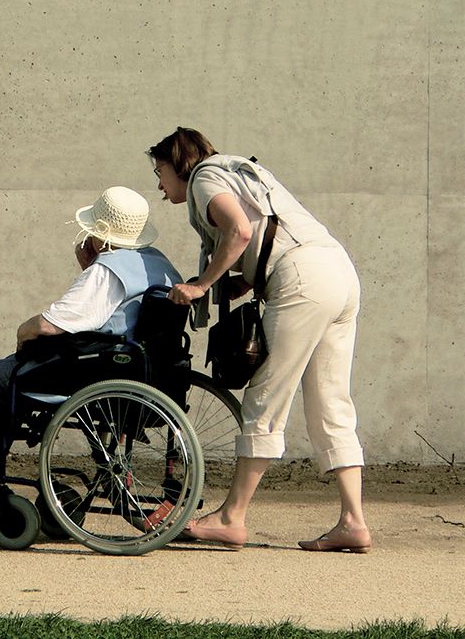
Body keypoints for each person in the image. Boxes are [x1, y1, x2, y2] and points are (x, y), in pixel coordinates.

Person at [147, 127, 371, 553]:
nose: (160, 184)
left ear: (179, 164)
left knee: (264, 399)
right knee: (331, 402)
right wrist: (244, 282)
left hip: (301, 279)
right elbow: (267, 231)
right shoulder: (239, 171)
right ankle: (353, 522)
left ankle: (231, 518)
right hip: (336, 271)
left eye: (160, 172)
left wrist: (202, 284)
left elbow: (239, 232)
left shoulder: (204, 179)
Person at [0, 186, 182, 525]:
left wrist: (22, 333)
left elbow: (50, 324)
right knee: (5, 375)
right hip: (140, 370)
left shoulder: (107, 271)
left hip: (95, 370)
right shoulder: (158, 265)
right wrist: (93, 265)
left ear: (99, 233)